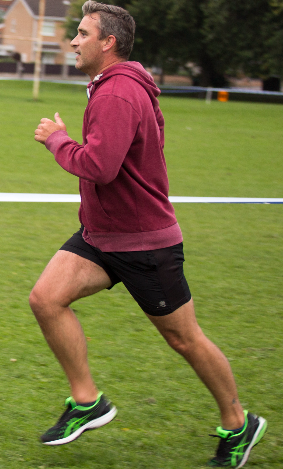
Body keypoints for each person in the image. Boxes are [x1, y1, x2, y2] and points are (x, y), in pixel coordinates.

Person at [31, 2, 266, 467]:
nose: (74, 41)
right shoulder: (113, 87)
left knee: (185, 339)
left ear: (108, 42)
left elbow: (100, 166)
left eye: (82, 33)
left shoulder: (118, 94)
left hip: (145, 244)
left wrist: (57, 139)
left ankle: (239, 423)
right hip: (102, 235)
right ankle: (87, 402)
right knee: (46, 298)